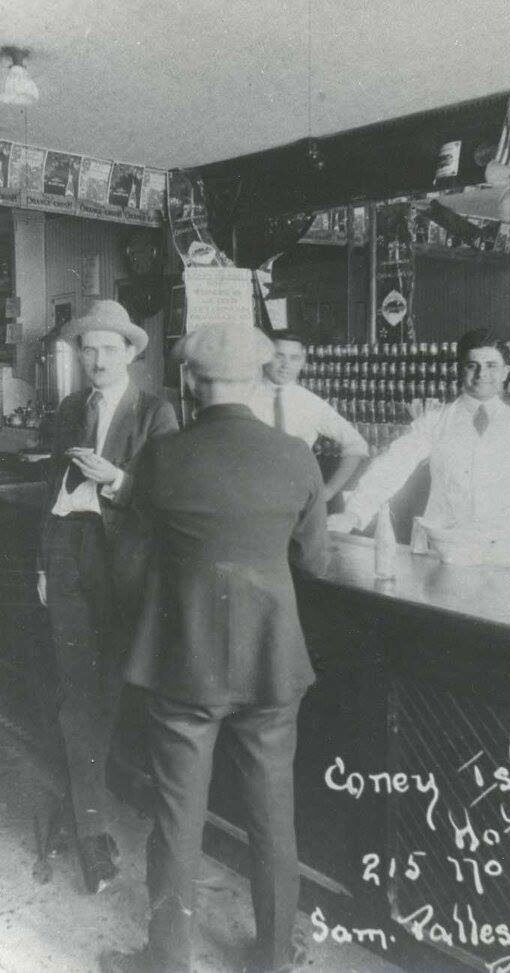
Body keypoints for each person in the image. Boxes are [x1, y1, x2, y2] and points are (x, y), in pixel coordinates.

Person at [100, 325, 327, 973]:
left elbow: (130, 562)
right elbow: (314, 561)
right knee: (272, 816)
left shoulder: (164, 457)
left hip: (184, 661)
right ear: (256, 380)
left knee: (177, 814)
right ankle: (273, 956)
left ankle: (166, 960)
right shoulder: (295, 456)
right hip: (271, 661)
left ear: (193, 385)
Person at [35, 299, 178, 893]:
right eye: (86, 348)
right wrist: (44, 563)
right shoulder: (70, 409)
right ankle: (92, 833)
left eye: (107, 349)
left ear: (129, 355)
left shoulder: (155, 412)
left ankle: (86, 813)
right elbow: (51, 489)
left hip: (123, 569)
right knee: (76, 691)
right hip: (68, 558)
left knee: (108, 693)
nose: (95, 358)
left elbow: (168, 497)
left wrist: (114, 479)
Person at [328, 328, 510, 539]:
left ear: (506, 372)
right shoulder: (435, 421)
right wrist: (355, 513)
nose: (482, 374)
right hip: (443, 543)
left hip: (502, 547)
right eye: (472, 365)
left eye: (492, 365)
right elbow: (393, 464)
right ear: (460, 370)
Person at [251, 331, 368, 502]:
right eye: (279, 356)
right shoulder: (244, 397)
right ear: (264, 357)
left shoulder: (311, 403)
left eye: (294, 358)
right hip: (252, 495)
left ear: (303, 361)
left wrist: (328, 491)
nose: (286, 365)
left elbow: (357, 445)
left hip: (296, 497)